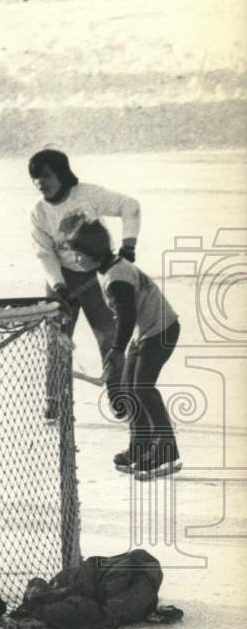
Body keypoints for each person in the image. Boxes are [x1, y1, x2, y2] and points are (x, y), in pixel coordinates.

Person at [28, 149, 141, 419]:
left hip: (96, 278)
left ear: (62, 174)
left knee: (109, 338)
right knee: (59, 343)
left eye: (45, 175)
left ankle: (119, 396)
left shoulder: (87, 195)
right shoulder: (39, 212)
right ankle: (56, 401)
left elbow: (130, 205)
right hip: (62, 281)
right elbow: (44, 253)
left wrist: (128, 244)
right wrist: (58, 286)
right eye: (35, 178)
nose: (40, 183)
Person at [67, 220, 182, 478]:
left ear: (93, 255)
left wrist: (117, 349)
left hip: (161, 331)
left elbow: (127, 315)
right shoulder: (111, 267)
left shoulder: (116, 277)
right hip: (146, 333)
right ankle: (141, 445)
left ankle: (166, 447)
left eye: (78, 254)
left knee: (142, 387)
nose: (75, 258)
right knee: (129, 389)